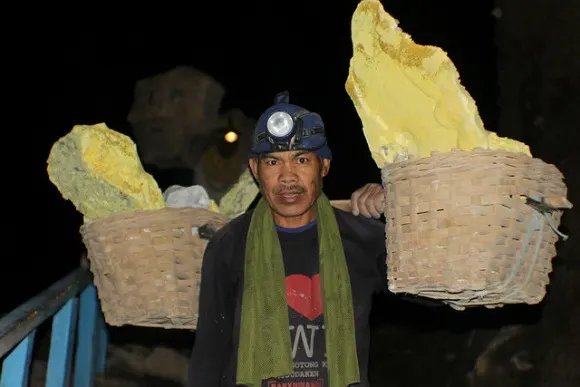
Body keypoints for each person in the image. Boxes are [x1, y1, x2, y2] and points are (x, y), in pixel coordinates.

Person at [188, 92, 389, 387]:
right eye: (273, 162)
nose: (287, 177)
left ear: (324, 167)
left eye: (302, 159)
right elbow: (208, 356)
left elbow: (431, 290)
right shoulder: (229, 245)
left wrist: (399, 208)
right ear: (256, 170)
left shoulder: (362, 238)